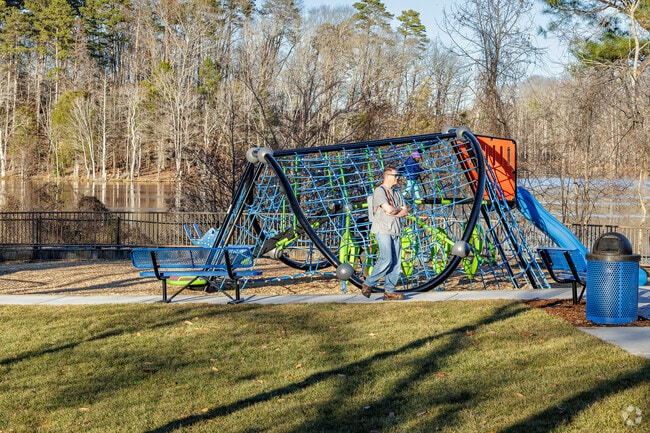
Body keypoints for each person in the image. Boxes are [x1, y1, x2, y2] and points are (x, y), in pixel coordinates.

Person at [362, 167, 408, 300]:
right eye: (395, 175)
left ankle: (389, 291)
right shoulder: (379, 191)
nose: (397, 178)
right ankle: (368, 283)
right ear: (387, 176)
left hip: (396, 230)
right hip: (382, 229)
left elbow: (404, 211)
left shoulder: (397, 193)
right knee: (386, 259)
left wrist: (396, 209)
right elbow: (388, 209)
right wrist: (395, 210)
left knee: (395, 262)